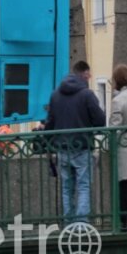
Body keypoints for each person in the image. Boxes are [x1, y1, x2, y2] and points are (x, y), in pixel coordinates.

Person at [44, 60, 106, 223]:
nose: (90, 77)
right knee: (84, 185)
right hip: (82, 145)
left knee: (66, 188)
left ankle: (68, 223)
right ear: (84, 74)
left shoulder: (55, 94)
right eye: (89, 74)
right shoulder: (87, 94)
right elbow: (100, 120)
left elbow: (50, 123)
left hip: (62, 147)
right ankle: (81, 224)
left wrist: (48, 141)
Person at [108, 63, 127, 230]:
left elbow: (115, 129)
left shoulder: (118, 101)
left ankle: (124, 222)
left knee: (125, 186)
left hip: (125, 149)